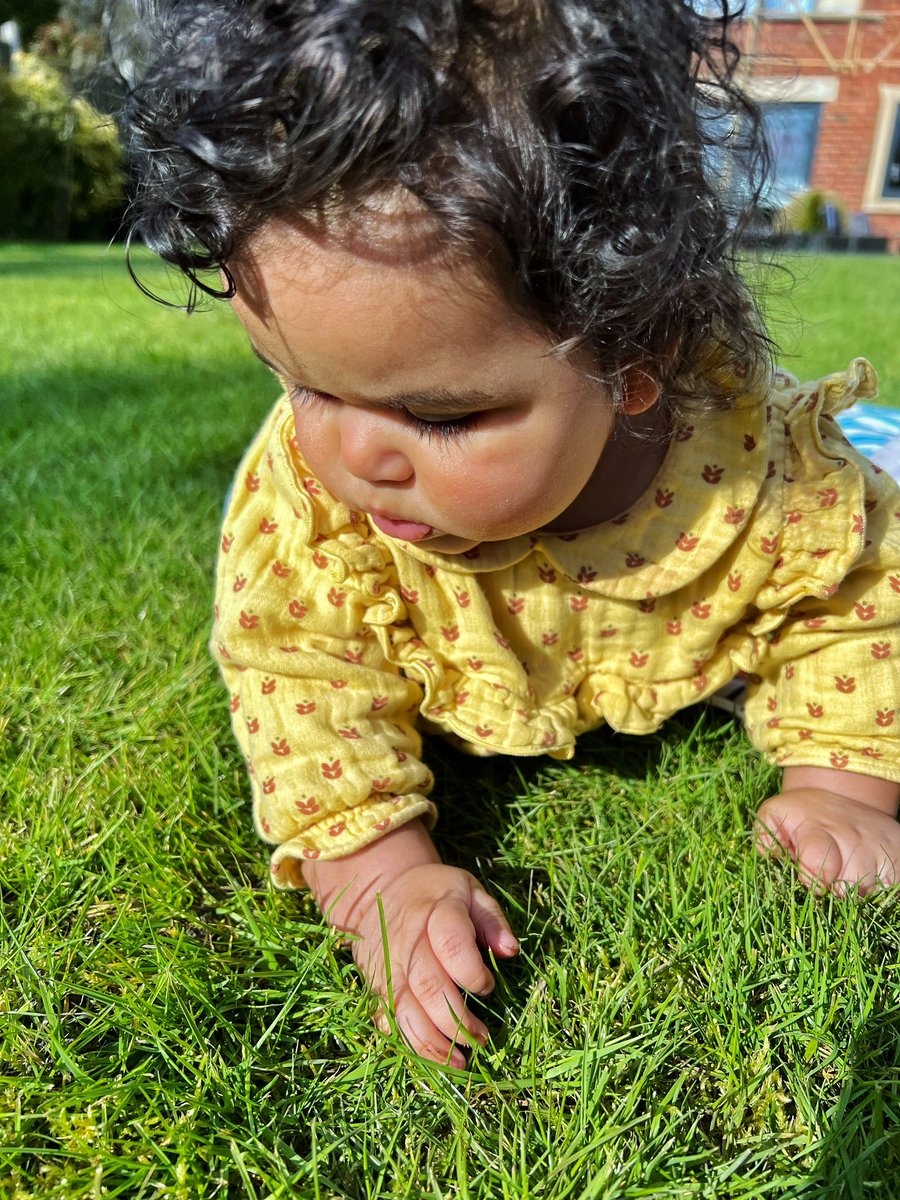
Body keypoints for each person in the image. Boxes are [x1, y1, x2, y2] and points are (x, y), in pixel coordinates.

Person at [123, 0, 900, 1068]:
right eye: (299, 382)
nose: (354, 456)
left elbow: (851, 598)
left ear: (636, 355)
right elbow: (298, 675)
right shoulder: (313, 505)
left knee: (880, 488)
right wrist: (382, 875)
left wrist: (839, 787)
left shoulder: (755, 469)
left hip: (701, 593)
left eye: (438, 416)